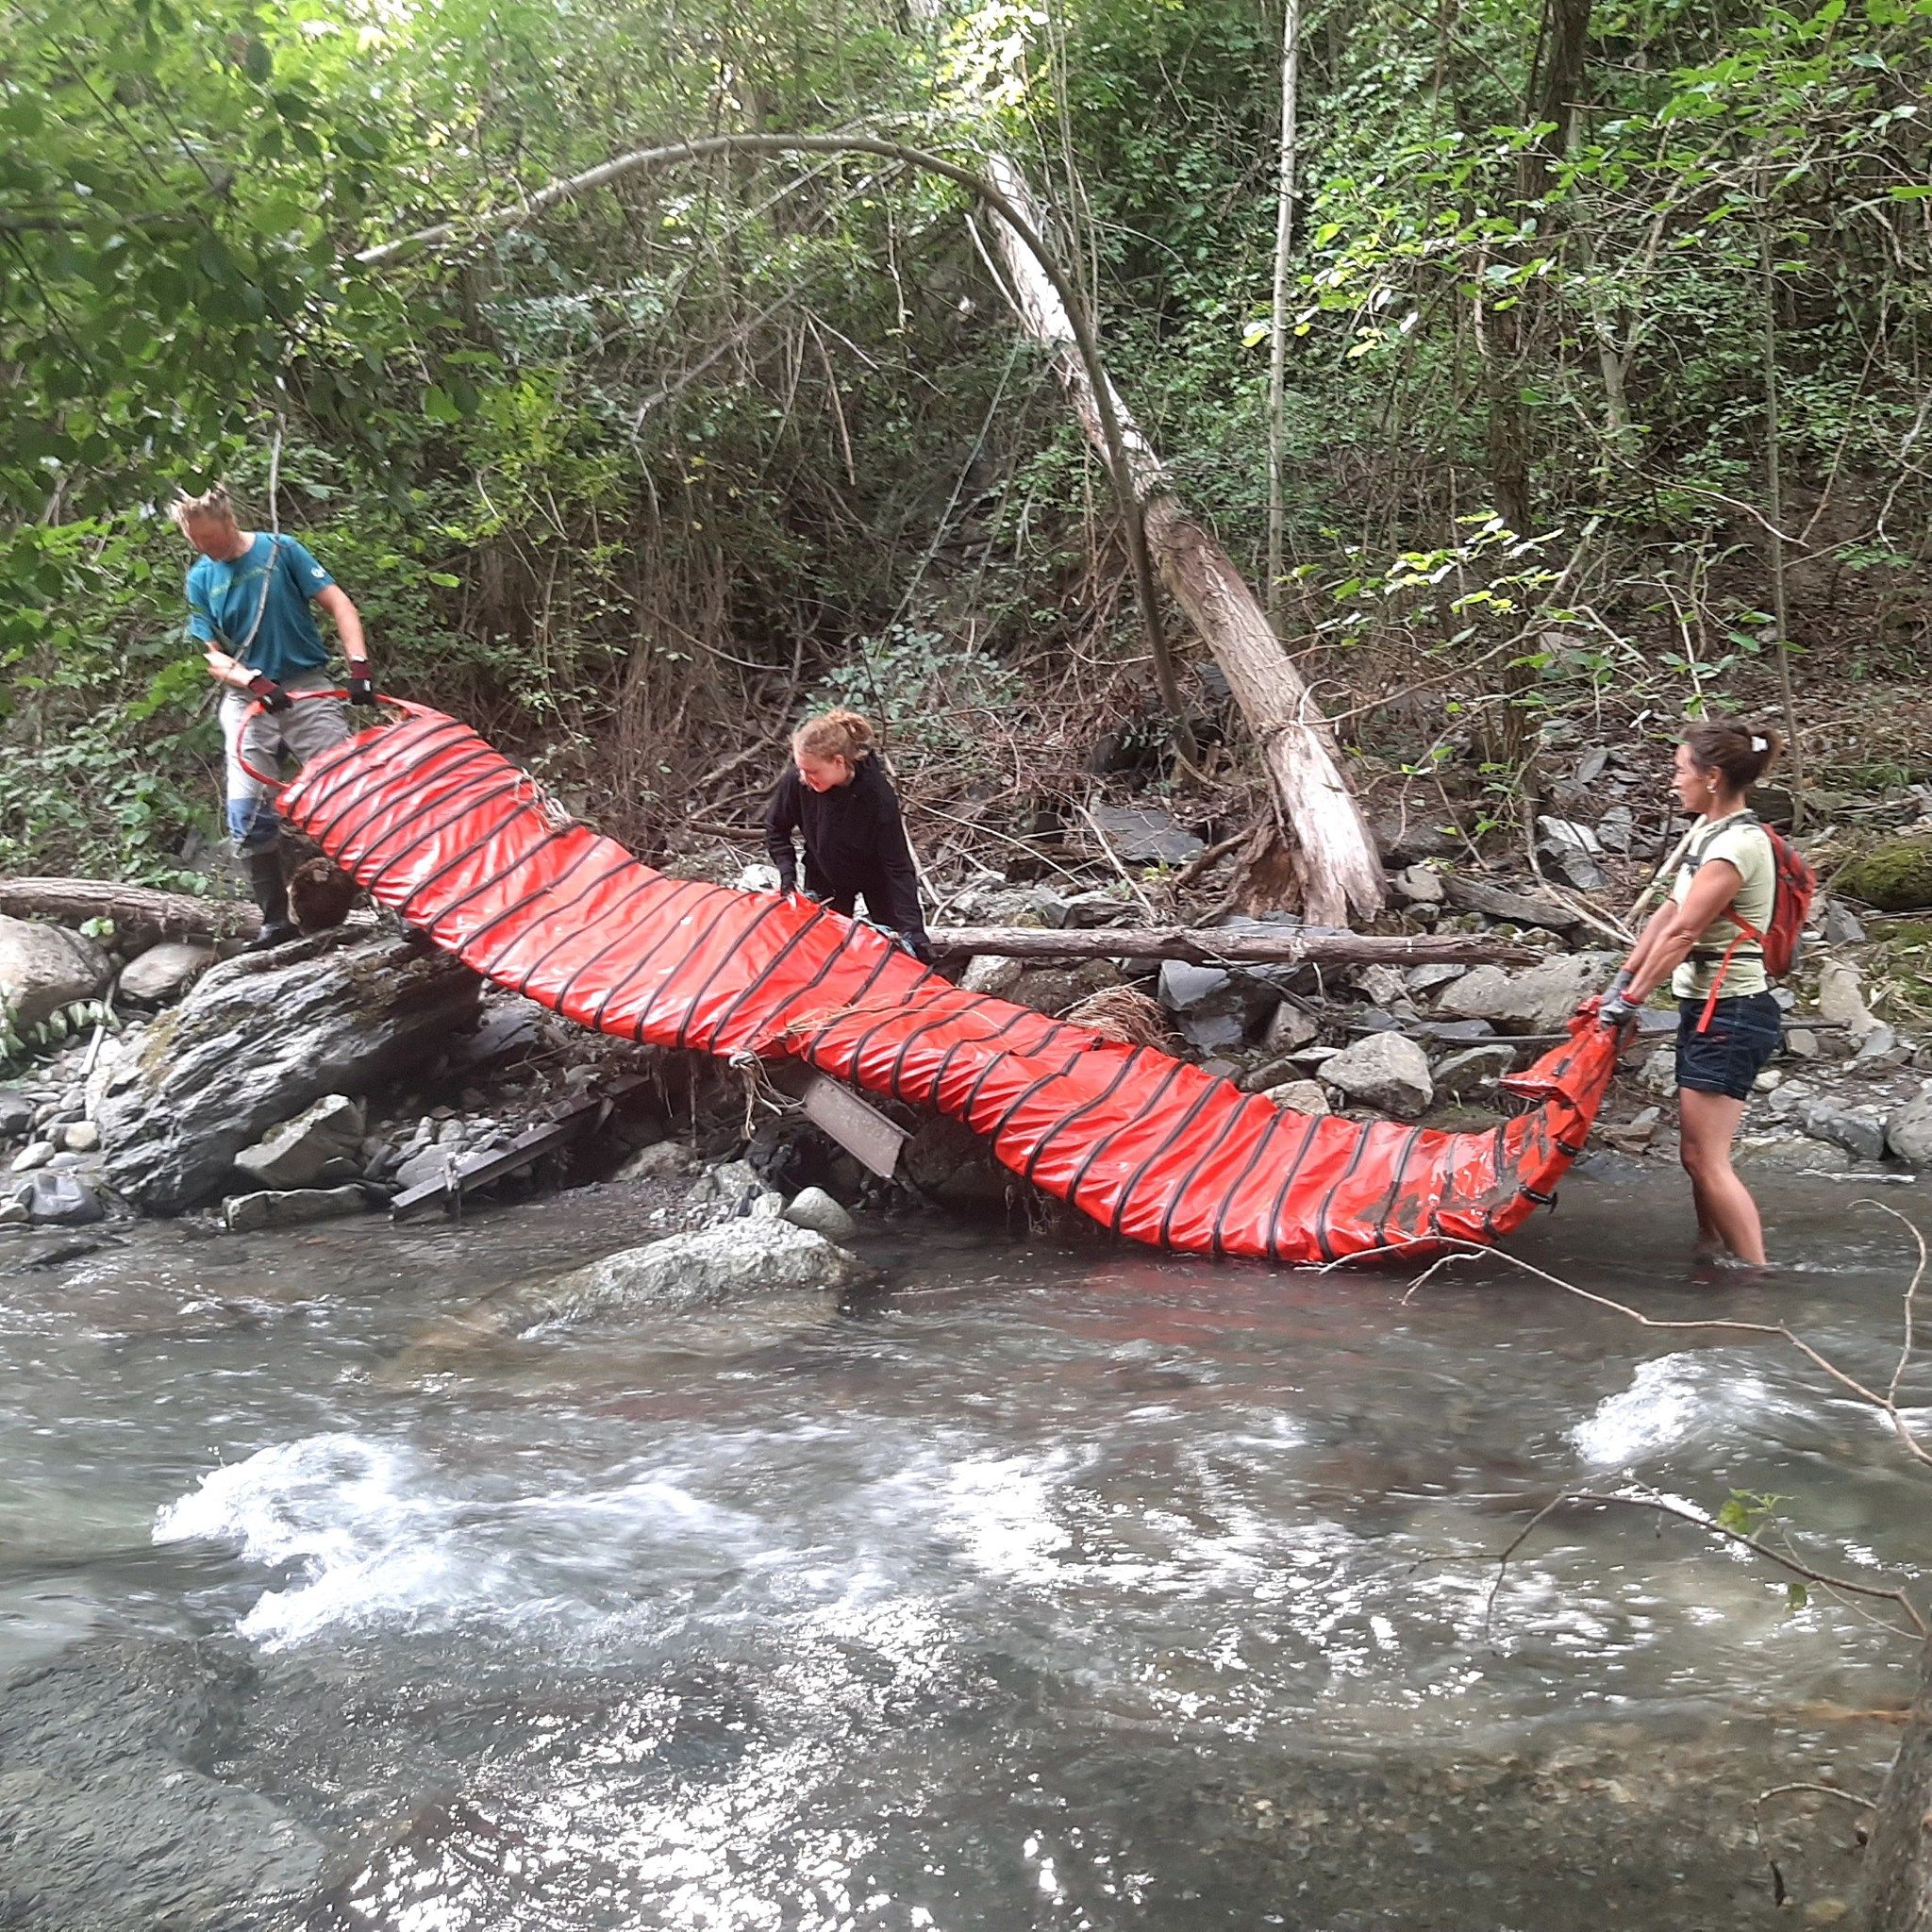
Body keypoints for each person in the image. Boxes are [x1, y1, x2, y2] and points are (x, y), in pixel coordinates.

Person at [1600, 722, 1783, 1266]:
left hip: (1732, 1012)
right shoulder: (1708, 834)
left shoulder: (1737, 846)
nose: (1672, 781)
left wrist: (1631, 1003)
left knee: (1709, 1158)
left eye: (1680, 771)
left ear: (1712, 776)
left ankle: (1756, 1278)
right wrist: (1624, 979)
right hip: (1707, 1007)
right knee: (1695, 1154)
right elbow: (1669, 912)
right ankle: (1710, 1255)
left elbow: (1685, 934)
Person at [175, 484, 377, 950]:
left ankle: (395, 903)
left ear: (229, 520)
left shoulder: (280, 550)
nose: (209, 550)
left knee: (352, 796)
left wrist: (359, 666)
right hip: (249, 701)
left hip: (307, 687)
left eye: (214, 539)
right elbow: (210, 655)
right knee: (246, 812)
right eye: (198, 544)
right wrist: (252, 682)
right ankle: (274, 923)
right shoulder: (202, 579)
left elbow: (339, 603)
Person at [763, 708, 932, 960]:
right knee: (820, 953)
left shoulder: (878, 796)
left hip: (876, 879)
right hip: (824, 874)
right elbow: (776, 828)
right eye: (801, 769)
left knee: (899, 953)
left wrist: (913, 930)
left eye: (812, 772)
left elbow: (897, 866)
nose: (805, 778)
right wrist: (787, 875)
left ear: (838, 762)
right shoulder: (798, 783)